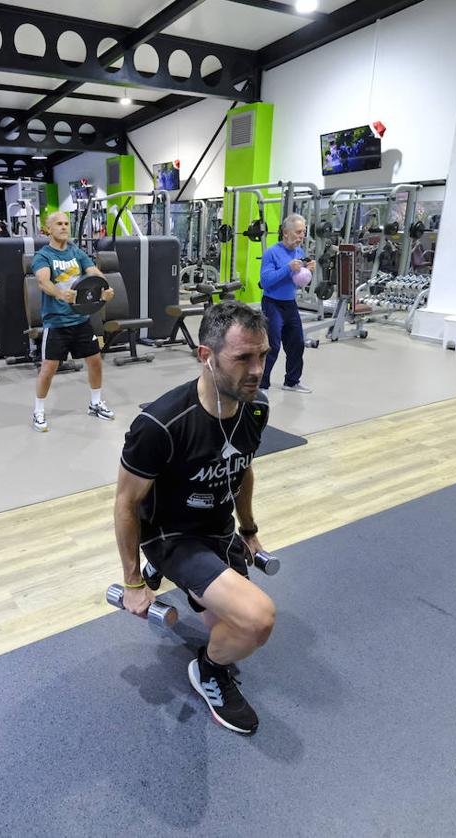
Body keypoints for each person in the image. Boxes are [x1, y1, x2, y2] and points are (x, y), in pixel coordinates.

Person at [114, 301, 275, 735]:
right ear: (206, 356)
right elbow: (126, 504)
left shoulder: (253, 408)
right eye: (243, 358)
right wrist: (131, 582)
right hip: (173, 535)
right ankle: (207, 672)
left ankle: (195, 587)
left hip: (219, 532)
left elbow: (241, 468)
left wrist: (250, 530)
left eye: (262, 355)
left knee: (227, 627)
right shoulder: (159, 425)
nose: (257, 369)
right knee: (257, 620)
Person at [31, 211, 115, 432]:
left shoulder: (76, 252)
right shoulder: (43, 256)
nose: (64, 227)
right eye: (59, 223)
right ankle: (38, 410)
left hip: (80, 319)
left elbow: (94, 272)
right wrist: (60, 294)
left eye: (67, 223)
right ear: (49, 228)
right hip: (56, 322)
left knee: (95, 361)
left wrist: (105, 288)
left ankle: (95, 403)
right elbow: (43, 281)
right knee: (49, 369)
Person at [259, 213, 315, 393]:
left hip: (290, 304)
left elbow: (298, 280)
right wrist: (287, 268)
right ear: (285, 233)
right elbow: (266, 282)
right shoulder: (271, 253)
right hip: (272, 303)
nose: (301, 236)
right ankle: (262, 384)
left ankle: (291, 381)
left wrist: (307, 271)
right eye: (298, 232)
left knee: (297, 343)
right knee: (272, 346)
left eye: (303, 232)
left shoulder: (299, 252)